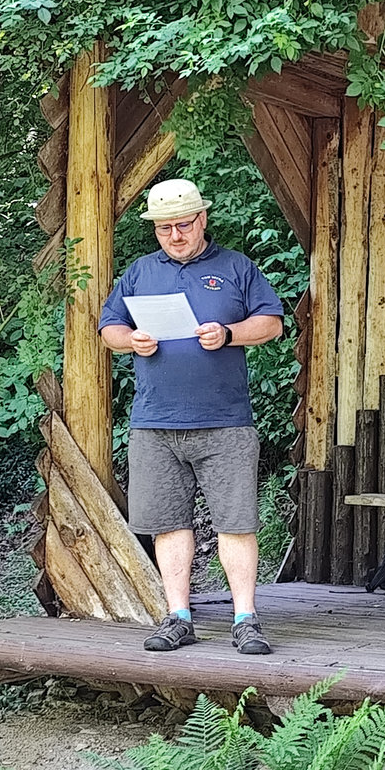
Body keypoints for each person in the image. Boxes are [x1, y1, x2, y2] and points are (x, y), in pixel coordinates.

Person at [98, 178, 285, 655]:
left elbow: (271, 323)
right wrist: (131, 340)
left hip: (225, 421)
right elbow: (109, 328)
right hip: (154, 423)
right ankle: (178, 616)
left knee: (236, 522)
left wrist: (228, 333)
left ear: (202, 219)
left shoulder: (236, 267)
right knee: (167, 523)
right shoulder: (140, 272)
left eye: (183, 225)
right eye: (164, 228)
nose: (175, 236)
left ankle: (246, 619)